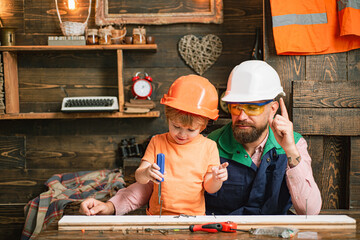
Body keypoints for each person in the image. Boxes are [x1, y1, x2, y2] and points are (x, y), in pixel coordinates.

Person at [80, 60, 322, 216]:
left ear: (273, 109)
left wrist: (290, 151)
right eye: (235, 107)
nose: (242, 116)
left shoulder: (294, 146)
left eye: (253, 107)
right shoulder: (210, 144)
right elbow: (151, 187)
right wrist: (111, 206)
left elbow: (309, 211)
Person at [134, 74, 228, 215]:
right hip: (157, 215)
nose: (182, 135)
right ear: (168, 118)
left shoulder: (208, 147)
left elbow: (210, 188)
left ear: (202, 126)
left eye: (190, 130)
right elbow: (139, 177)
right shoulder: (157, 141)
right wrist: (147, 173)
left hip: (194, 218)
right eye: (176, 126)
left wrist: (216, 179)